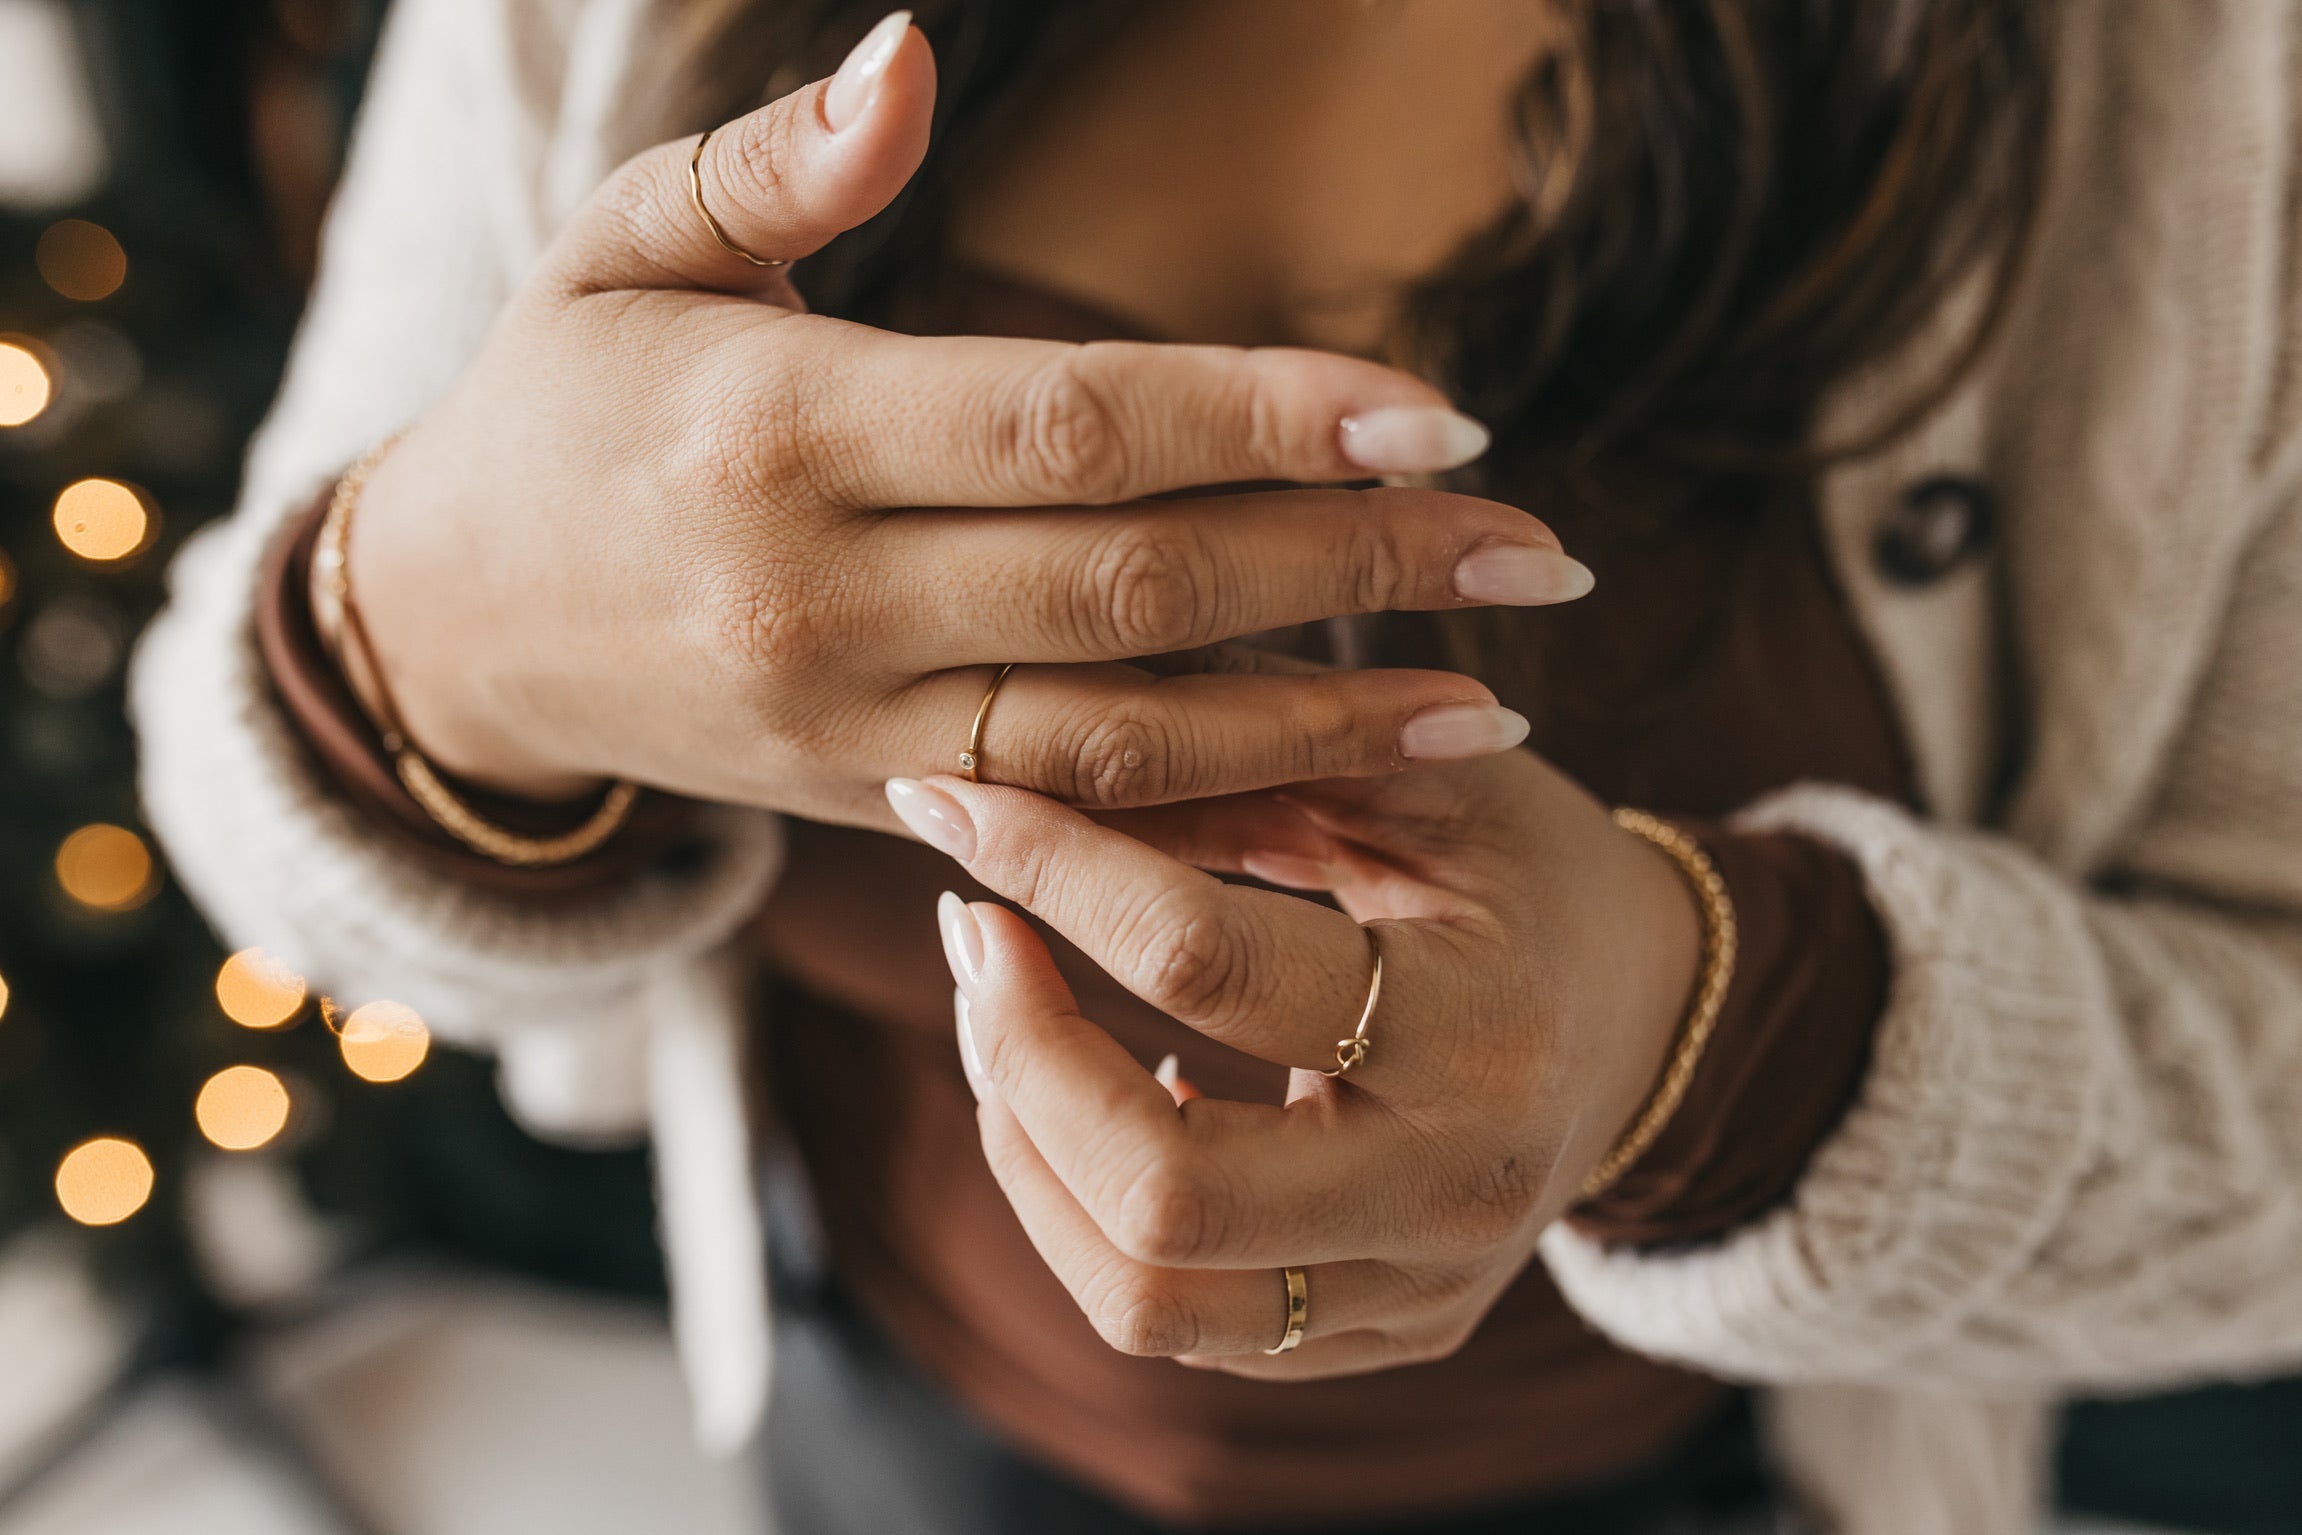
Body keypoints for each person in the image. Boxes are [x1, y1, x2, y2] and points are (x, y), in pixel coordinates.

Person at [131, 2, 2302, 1531]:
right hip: (869, 1398)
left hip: (1689, 1484)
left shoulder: (2211, 98)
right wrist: (429, 631)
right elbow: (234, 800)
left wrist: (1703, 1036)